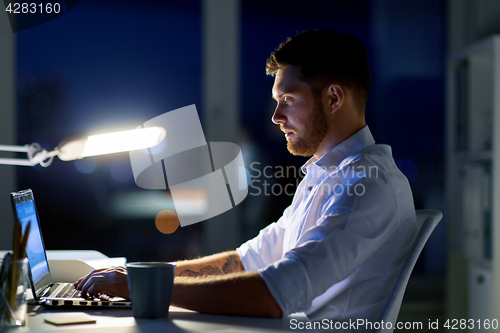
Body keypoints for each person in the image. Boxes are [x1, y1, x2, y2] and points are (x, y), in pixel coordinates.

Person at [75, 29, 417, 322]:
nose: (276, 116)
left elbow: (273, 296)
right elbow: (245, 260)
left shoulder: (367, 186)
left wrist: (143, 288)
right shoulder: (325, 175)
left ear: (333, 97)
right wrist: (145, 275)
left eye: (287, 99)